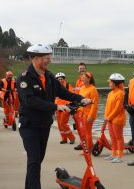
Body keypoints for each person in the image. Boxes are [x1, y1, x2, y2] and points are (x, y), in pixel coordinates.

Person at [16, 43, 91, 189]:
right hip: (29, 125)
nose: (49, 59)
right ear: (36, 58)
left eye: (49, 56)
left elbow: (63, 92)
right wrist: (56, 106)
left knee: (37, 160)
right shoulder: (24, 78)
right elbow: (30, 101)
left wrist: (80, 98)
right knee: (34, 160)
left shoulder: (49, 77)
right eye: (46, 57)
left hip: (44, 124)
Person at [103, 73, 126, 163]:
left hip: (117, 119)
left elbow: (117, 108)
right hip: (109, 119)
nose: (109, 84)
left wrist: (109, 117)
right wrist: (106, 117)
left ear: (115, 83)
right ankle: (113, 154)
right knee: (112, 137)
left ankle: (119, 156)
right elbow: (107, 106)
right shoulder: (110, 93)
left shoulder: (120, 93)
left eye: (110, 82)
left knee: (118, 138)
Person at [73, 72, 99, 152]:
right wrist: (77, 111)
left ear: (88, 79)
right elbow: (80, 102)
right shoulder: (82, 88)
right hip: (81, 113)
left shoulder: (93, 89)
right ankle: (86, 148)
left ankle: (89, 149)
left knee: (87, 132)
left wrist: (91, 116)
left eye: (84, 78)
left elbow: (94, 105)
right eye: (82, 78)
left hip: (88, 114)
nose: (82, 79)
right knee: (83, 132)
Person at [54, 72, 75, 144]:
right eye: (59, 79)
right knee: (59, 124)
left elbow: (71, 95)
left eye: (61, 79)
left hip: (66, 107)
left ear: (64, 79)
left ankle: (72, 138)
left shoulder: (68, 86)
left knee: (63, 123)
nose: (60, 80)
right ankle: (64, 138)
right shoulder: (55, 87)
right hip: (58, 107)